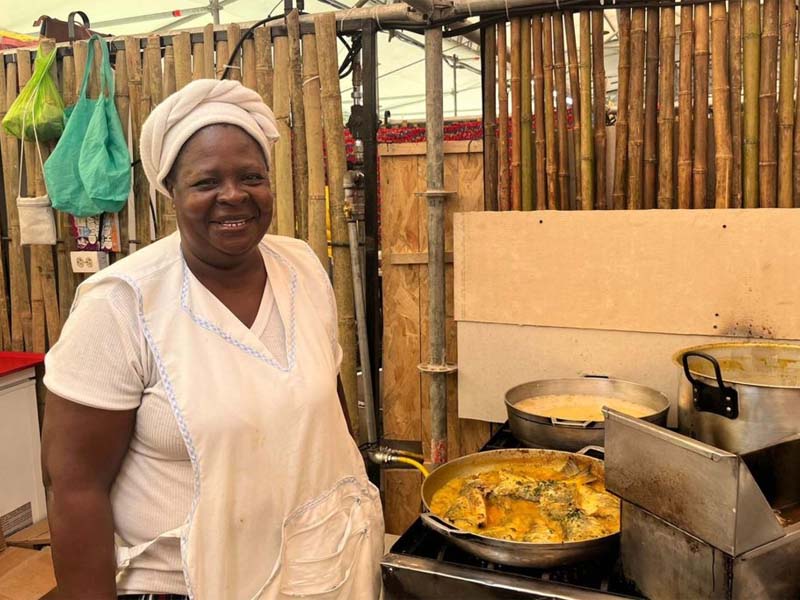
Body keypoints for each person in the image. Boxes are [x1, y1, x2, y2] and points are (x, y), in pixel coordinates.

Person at [41, 79, 384, 600]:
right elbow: (74, 488)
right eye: (205, 182)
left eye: (252, 176)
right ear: (171, 193)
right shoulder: (122, 305)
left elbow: (324, 405)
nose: (233, 196)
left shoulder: (302, 267)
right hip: (186, 585)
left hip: (322, 570)